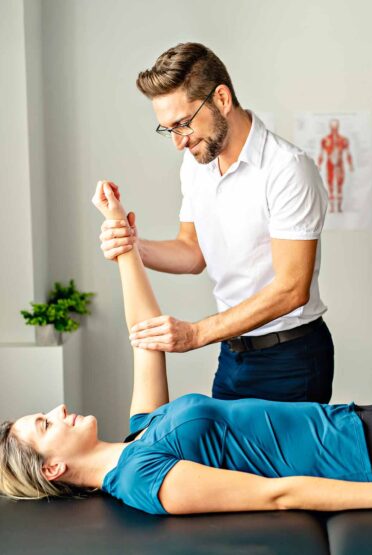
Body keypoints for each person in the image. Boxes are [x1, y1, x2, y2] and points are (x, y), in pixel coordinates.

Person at [1, 181, 372, 515]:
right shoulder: (142, 478)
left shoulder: (139, 434)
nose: (58, 409)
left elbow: (145, 336)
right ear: (52, 469)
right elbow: (276, 495)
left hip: (353, 418)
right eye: (45, 423)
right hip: (359, 457)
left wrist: (121, 236)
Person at [99, 42, 334, 403]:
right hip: (232, 355)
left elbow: (292, 289)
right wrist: (132, 246)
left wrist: (195, 334)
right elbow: (192, 252)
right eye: (168, 130)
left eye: (183, 124)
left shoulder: (287, 169)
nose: (179, 143)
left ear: (221, 99)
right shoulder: (196, 165)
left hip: (291, 358)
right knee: (221, 463)